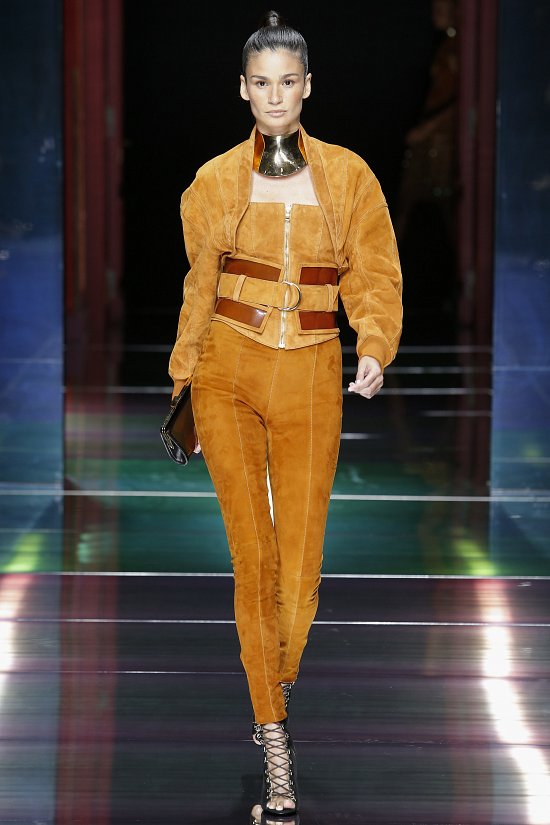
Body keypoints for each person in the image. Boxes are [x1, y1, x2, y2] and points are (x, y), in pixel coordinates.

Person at [168, 10, 403, 819]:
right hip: (227, 372)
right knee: (254, 559)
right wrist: (182, 385)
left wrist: (376, 341)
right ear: (243, 89)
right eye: (261, 82)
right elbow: (200, 287)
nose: (275, 96)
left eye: (288, 82)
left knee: (300, 572)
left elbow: (375, 270)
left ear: (308, 86)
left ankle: (272, 683)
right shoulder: (212, 181)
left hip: (311, 370)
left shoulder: (350, 176)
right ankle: (275, 741)